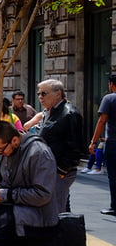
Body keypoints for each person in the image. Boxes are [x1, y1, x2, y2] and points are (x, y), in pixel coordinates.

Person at [36, 79, 85, 212]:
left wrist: (62, 169)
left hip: (59, 170)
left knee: (56, 208)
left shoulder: (69, 113)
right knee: (56, 206)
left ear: (58, 94)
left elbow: (75, 145)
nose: (40, 97)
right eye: (39, 94)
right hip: (49, 168)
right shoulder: (50, 112)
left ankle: (61, 232)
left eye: (44, 93)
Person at [90, 74, 116, 216]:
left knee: (113, 176)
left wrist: (94, 142)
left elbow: (102, 121)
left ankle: (114, 206)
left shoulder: (109, 98)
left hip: (113, 142)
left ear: (111, 84)